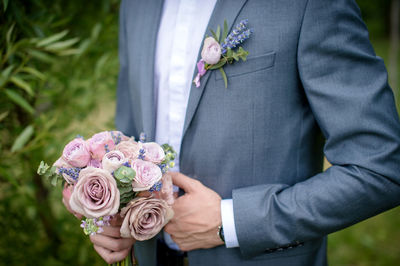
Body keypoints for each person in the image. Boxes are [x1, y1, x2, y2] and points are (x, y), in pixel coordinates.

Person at [65, 0, 400, 265]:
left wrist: (232, 222)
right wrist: (115, 211)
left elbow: (380, 168)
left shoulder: (309, 4)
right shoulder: (137, 6)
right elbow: (128, 140)